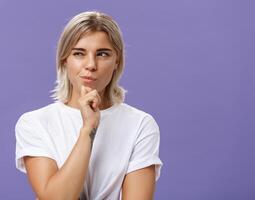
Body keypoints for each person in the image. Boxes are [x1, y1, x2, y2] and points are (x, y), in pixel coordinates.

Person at [15, 11, 162, 200]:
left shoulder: (140, 124)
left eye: (102, 54)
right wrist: (88, 129)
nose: (91, 65)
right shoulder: (35, 123)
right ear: (64, 59)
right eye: (79, 53)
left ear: (117, 61)